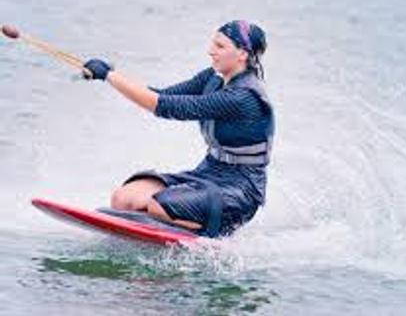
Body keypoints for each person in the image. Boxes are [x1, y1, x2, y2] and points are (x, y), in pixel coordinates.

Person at [83, 20, 274, 238]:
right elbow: (162, 94)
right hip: (208, 172)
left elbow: (168, 106)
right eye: (213, 44)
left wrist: (109, 75)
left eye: (220, 46)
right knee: (123, 198)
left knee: (158, 206)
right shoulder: (213, 77)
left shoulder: (242, 97)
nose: (211, 51)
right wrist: (112, 76)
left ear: (242, 54)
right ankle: (165, 222)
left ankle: (208, 239)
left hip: (240, 189)